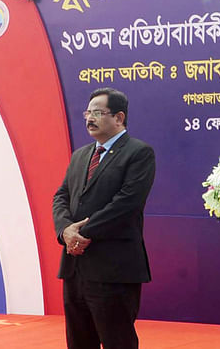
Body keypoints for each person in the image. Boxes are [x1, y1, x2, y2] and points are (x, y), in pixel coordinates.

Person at [52, 87, 156, 349]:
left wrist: (83, 233)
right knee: (79, 341)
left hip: (113, 270)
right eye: (88, 112)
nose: (89, 118)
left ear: (119, 118)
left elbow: (127, 203)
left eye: (98, 113)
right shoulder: (80, 155)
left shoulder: (138, 153)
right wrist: (66, 232)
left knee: (117, 341)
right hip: (75, 269)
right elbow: (61, 197)